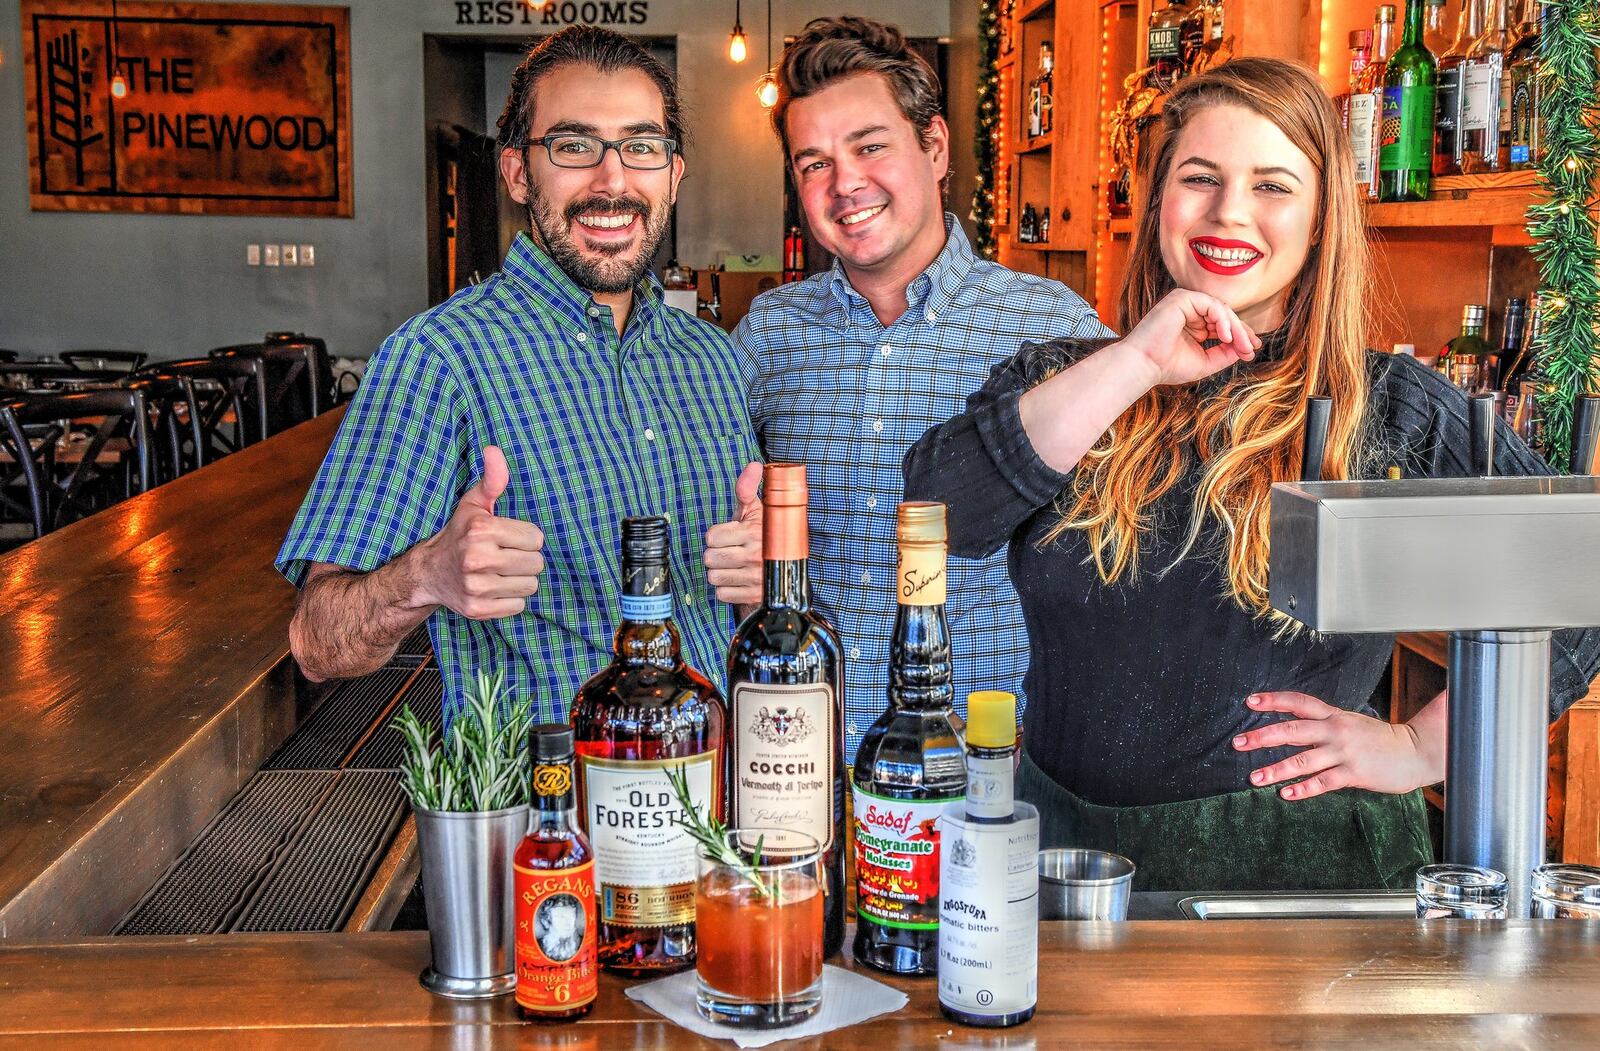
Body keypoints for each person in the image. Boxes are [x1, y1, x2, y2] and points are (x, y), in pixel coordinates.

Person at [903, 57, 1600, 891]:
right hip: (1070, 859)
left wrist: (1418, 747)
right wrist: (1134, 362)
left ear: (1319, 221)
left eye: (1273, 185)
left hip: (1302, 874)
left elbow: (1581, 578)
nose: (1230, 211)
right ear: (1160, 199)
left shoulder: (1391, 405)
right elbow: (938, 515)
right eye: (1200, 178)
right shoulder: (1069, 378)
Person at [277, 27, 759, 718]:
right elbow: (317, 642)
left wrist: (764, 577)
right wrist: (427, 576)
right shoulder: (439, 358)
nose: (613, 181)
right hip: (550, 814)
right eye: (573, 145)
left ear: (673, 175)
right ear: (516, 173)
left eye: (642, 146)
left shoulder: (710, 360)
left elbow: (744, 603)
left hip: (717, 800)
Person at [703, 17, 1112, 750]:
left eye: (869, 146)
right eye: (813, 163)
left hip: (987, 770)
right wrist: (736, 552)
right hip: (805, 767)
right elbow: (712, 519)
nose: (844, 183)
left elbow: (1131, 543)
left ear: (935, 146)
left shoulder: (1053, 327)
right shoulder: (766, 337)